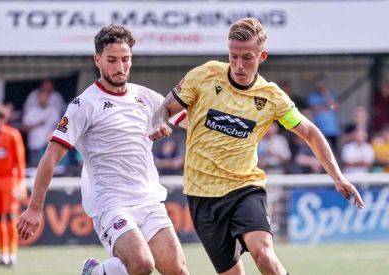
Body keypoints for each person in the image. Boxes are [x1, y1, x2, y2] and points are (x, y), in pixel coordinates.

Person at [150, 18, 364, 275]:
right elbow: (165, 108)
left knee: (265, 256)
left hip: (244, 188)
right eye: (233, 56)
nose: (239, 65)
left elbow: (310, 133)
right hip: (201, 195)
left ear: (262, 56)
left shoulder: (272, 98)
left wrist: (338, 177)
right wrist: (159, 123)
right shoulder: (205, 75)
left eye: (247, 58)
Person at [17, 25, 189, 275]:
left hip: (149, 199)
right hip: (110, 203)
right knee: (142, 265)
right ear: (97, 59)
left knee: (178, 270)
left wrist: (199, 99)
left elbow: (187, 121)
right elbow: (51, 157)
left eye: (125, 59)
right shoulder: (84, 104)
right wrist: (34, 208)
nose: (120, 67)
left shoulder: (146, 97)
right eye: (112, 60)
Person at [0, 106, 26, 266]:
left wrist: (21, 182)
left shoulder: (12, 134)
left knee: (10, 216)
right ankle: (3, 253)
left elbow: (20, 161)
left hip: (8, 181)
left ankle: (12, 254)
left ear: (3, 119)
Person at [22, 88, 61, 167]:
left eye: (46, 97)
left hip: (49, 144)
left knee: (49, 167)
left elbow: (59, 126)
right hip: (35, 144)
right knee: (35, 168)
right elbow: (24, 128)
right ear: (38, 98)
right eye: (42, 97)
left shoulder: (53, 110)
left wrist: (52, 132)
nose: (44, 99)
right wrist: (37, 124)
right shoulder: (32, 111)